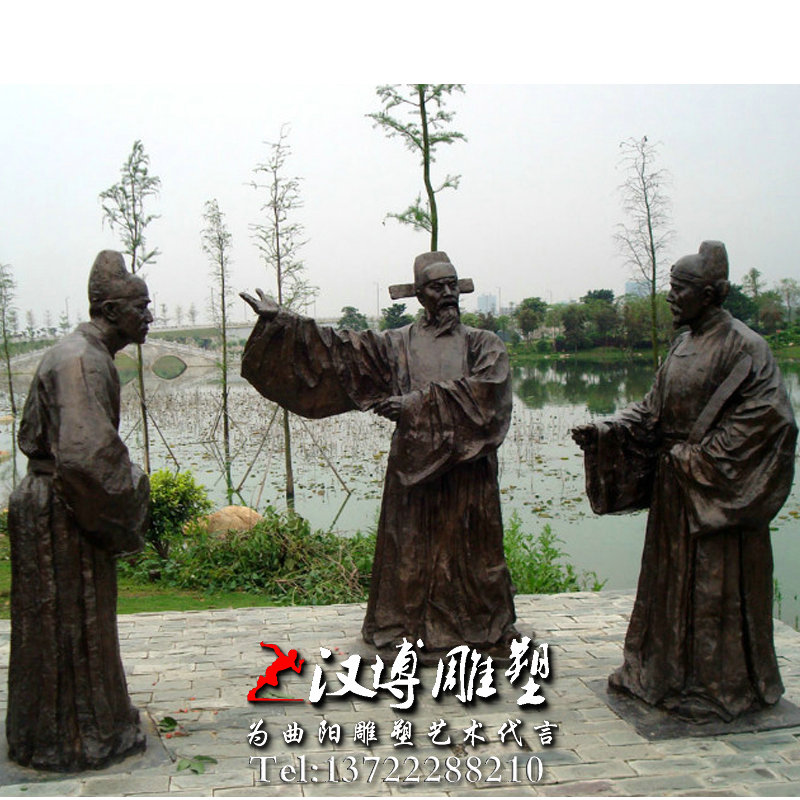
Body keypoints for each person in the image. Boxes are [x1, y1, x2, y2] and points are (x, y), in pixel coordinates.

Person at [240, 251, 518, 653]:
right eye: (436, 287)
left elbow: (489, 395)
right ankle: (408, 627)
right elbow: (339, 351)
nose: (447, 294)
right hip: (413, 469)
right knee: (409, 552)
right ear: (419, 294)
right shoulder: (396, 345)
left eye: (452, 285)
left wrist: (416, 404)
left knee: (473, 554)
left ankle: (480, 627)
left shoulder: (483, 344)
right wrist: (286, 323)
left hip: (468, 472)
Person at [573, 241, 797, 722]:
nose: (671, 297)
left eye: (680, 289)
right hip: (675, 492)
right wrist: (607, 430)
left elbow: (770, 420)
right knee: (668, 586)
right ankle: (659, 674)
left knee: (715, 590)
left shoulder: (746, 347)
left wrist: (699, 459)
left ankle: (719, 688)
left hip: (713, 493)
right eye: (671, 288)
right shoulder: (681, 345)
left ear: (709, 294)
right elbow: (652, 410)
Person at [7, 251, 152, 770]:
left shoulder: (84, 353)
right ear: (111, 311)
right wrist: (135, 488)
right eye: (140, 307)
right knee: (71, 624)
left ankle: (61, 731)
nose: (149, 316)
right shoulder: (83, 361)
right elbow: (88, 457)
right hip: (63, 507)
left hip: (60, 498)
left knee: (68, 626)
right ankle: (80, 739)